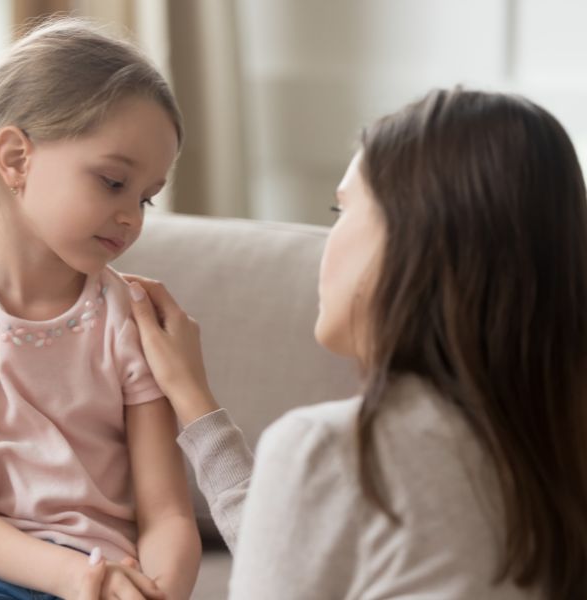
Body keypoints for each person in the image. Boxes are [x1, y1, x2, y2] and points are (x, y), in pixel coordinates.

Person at [119, 89, 587, 598]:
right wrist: (192, 398)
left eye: (341, 210)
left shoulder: (336, 450)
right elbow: (297, 546)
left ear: (413, 238)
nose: (329, 239)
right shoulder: (554, 452)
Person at [0, 18, 200, 600]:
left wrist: (159, 591)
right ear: (17, 158)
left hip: (108, 573)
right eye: (113, 181)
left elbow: (167, 514)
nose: (133, 217)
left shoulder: (130, 315)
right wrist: (77, 579)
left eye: (146, 196)